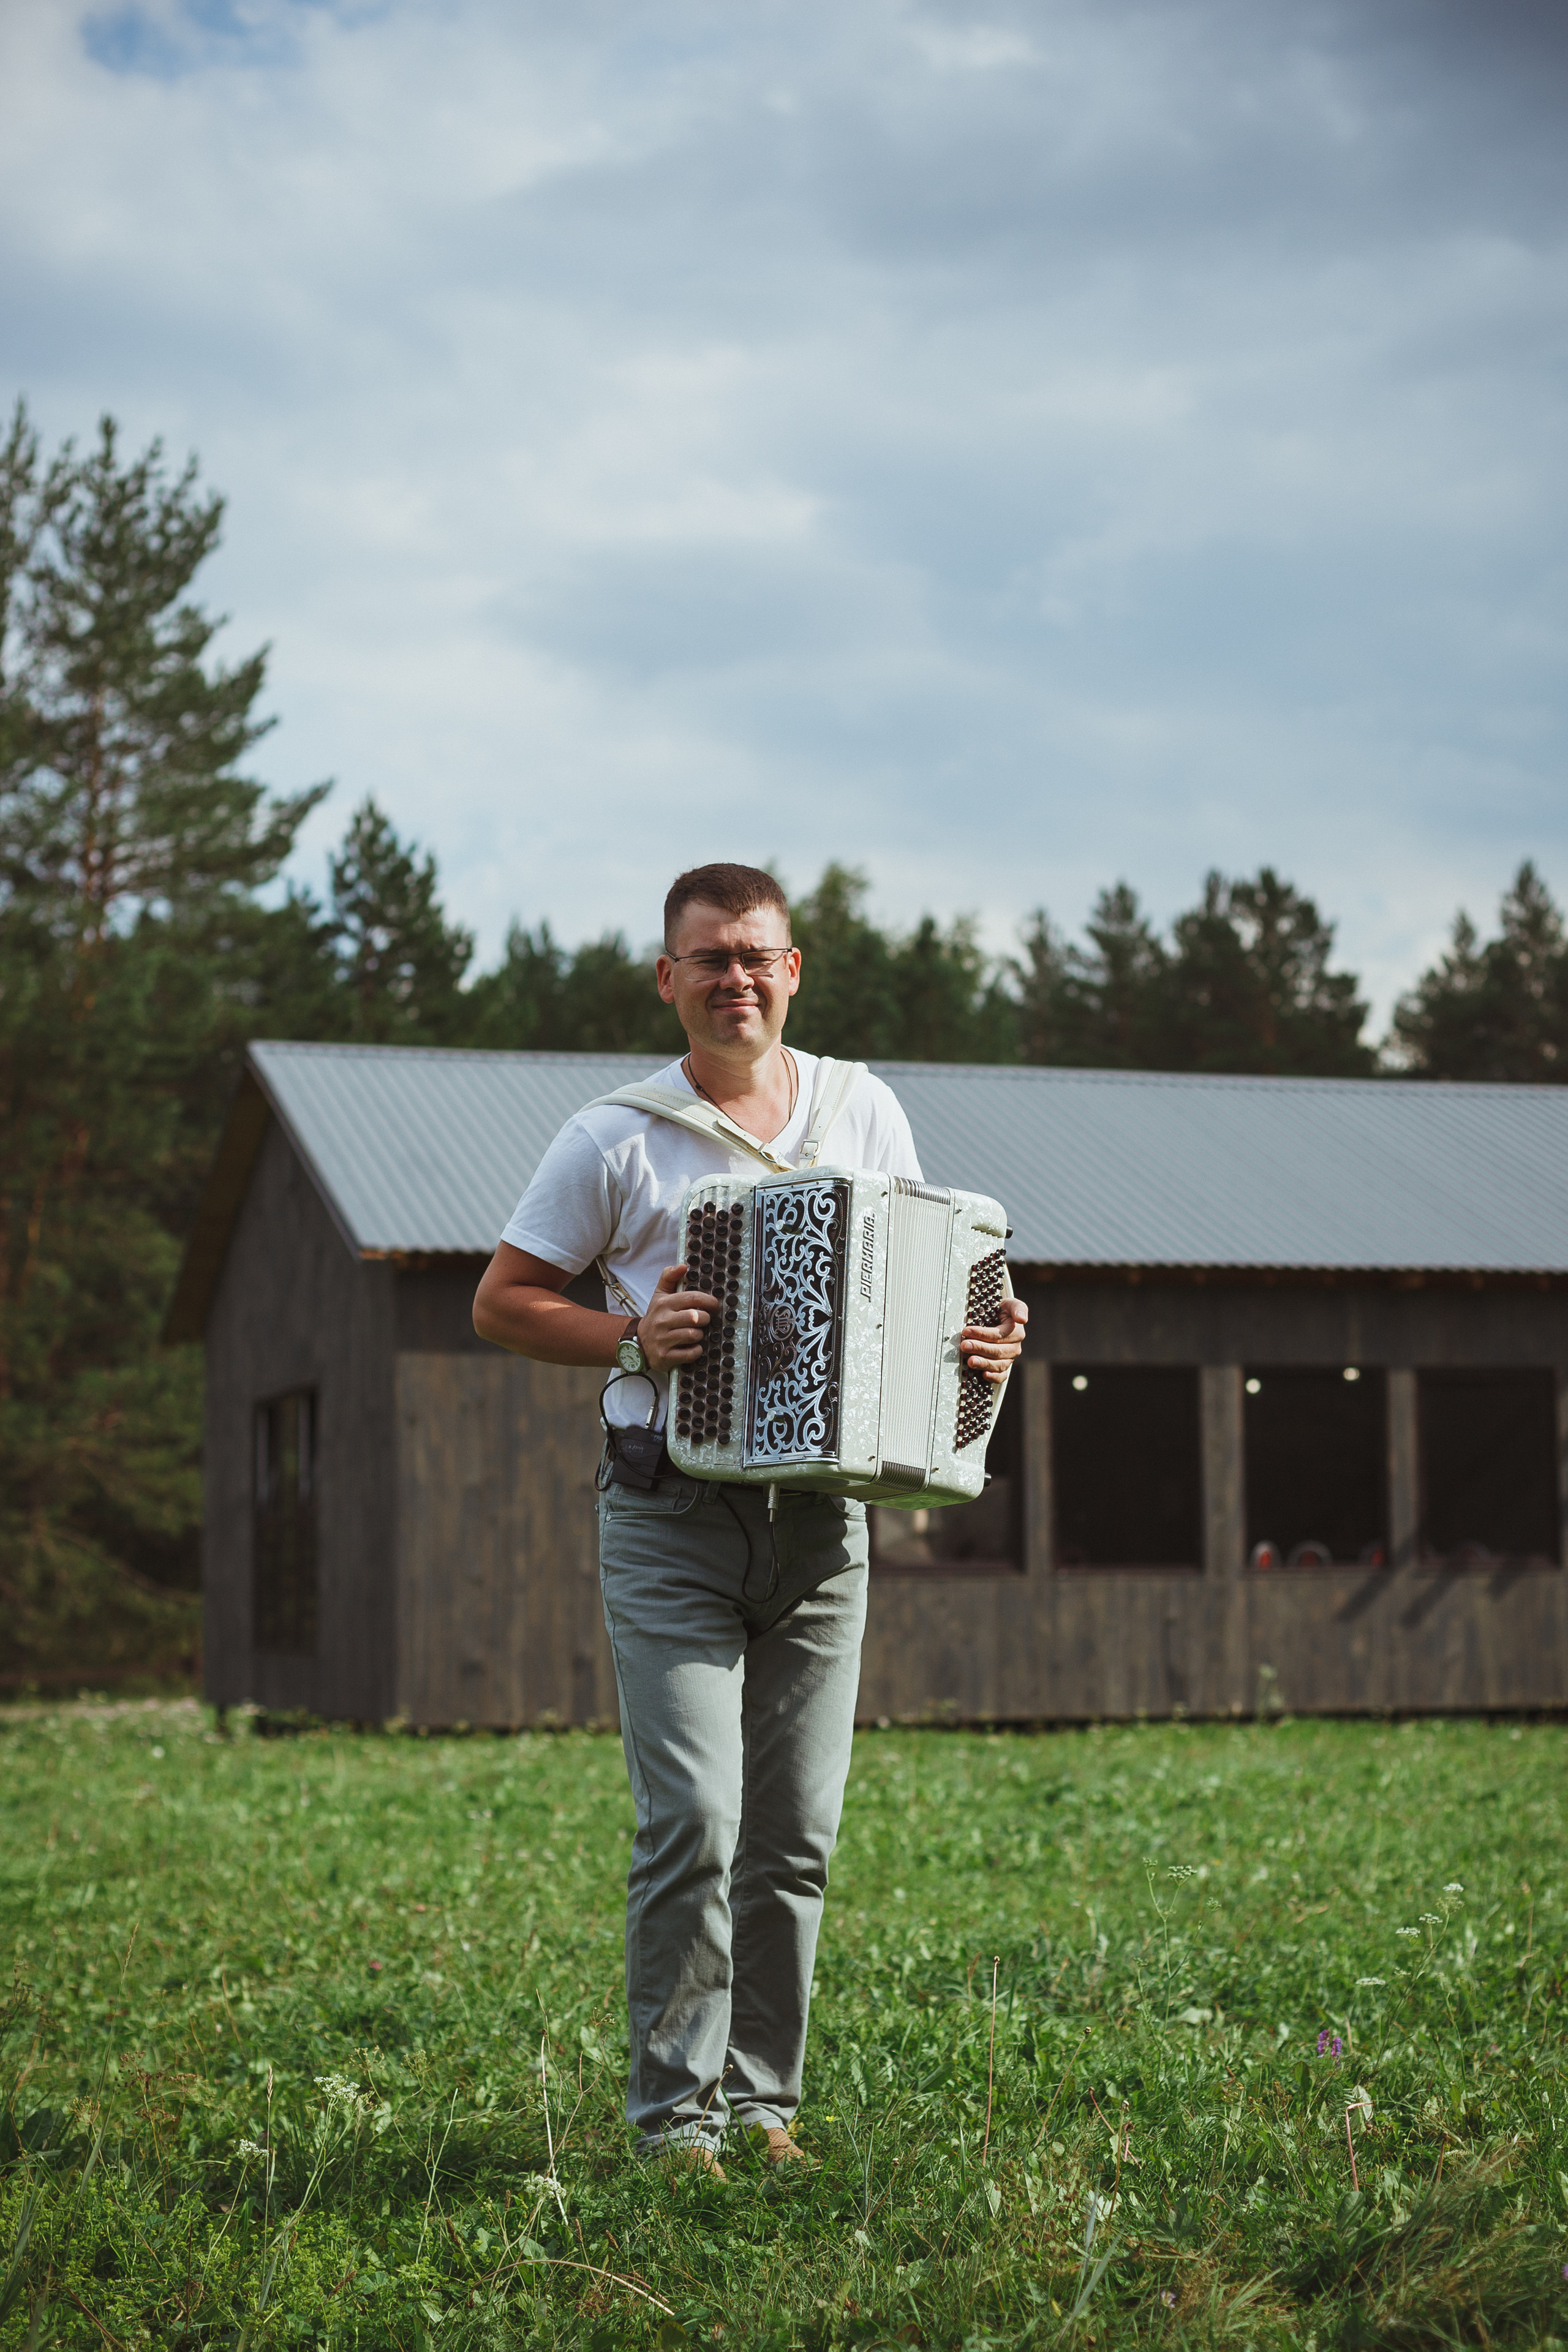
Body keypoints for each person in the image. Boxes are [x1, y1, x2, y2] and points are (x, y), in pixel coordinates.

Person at [472, 862, 1027, 2173]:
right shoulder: (613, 1135)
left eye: (757, 956)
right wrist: (632, 1337)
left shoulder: (860, 1107)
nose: (737, 978)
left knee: (793, 1836)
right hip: (669, 1515)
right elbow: (499, 1303)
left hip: (825, 1527)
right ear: (668, 979)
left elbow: (924, 1270)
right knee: (696, 1821)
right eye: (711, 958)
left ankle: (763, 2109)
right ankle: (676, 2124)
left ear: (793, 972)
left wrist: (982, 1337)